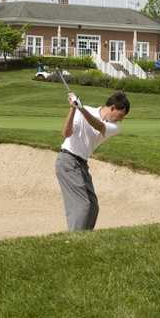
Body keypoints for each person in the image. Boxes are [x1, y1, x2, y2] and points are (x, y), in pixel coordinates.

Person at [55, 91, 131, 232]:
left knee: (93, 207)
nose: (120, 120)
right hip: (67, 160)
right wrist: (73, 108)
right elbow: (66, 133)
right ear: (112, 108)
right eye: (120, 115)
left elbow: (98, 126)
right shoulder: (83, 110)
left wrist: (80, 108)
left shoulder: (115, 127)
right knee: (83, 205)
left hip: (81, 163)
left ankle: (84, 238)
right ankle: (75, 239)